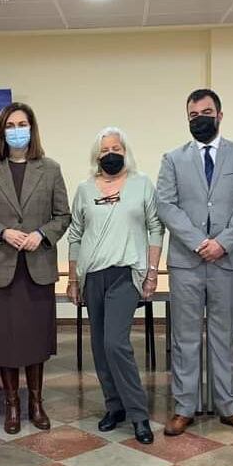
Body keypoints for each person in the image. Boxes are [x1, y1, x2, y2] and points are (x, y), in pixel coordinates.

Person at [156, 88, 233, 437]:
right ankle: (184, 407)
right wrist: (200, 243)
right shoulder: (172, 159)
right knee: (185, 337)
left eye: (206, 112)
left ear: (219, 114)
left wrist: (223, 243)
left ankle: (229, 406)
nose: (199, 119)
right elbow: (167, 206)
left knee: (223, 336)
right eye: (193, 115)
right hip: (186, 262)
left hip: (227, 262)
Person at [0, 102, 71, 435]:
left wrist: (41, 235)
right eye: (10, 125)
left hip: (36, 267)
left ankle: (36, 403)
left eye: (22, 124)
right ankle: (11, 404)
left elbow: (63, 216)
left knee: (36, 340)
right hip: (2, 267)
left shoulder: (50, 168)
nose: (16, 130)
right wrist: (2, 232)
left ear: (32, 128)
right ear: (1, 131)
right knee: (7, 341)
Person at [67, 127, 163, 445]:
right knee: (99, 346)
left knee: (115, 343)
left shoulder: (141, 185)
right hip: (93, 275)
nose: (111, 153)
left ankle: (138, 415)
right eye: (105, 149)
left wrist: (152, 272)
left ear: (125, 151)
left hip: (127, 273)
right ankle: (114, 407)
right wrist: (73, 278)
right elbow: (76, 234)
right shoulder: (84, 189)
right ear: (96, 156)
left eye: (116, 148)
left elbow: (155, 228)